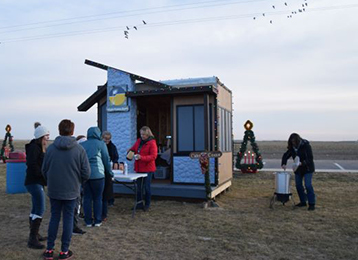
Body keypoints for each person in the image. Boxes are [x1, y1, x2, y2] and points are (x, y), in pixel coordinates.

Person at [42, 119, 90, 260]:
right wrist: (78, 182)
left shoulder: (51, 149)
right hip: (72, 190)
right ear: (72, 131)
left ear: (59, 130)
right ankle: (64, 251)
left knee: (54, 218)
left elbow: (44, 169)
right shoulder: (79, 150)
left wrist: (50, 181)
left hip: (55, 190)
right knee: (68, 219)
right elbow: (86, 172)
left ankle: (49, 249)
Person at [81, 127, 112, 227]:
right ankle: (98, 220)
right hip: (98, 175)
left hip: (85, 175)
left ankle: (88, 221)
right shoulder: (101, 144)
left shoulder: (82, 145)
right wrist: (110, 173)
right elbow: (106, 160)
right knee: (98, 198)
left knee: (87, 198)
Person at [25, 122, 50, 249]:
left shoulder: (37, 147)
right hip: (34, 182)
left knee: (36, 208)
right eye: (46, 136)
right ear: (41, 137)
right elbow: (33, 165)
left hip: (35, 181)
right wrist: (43, 176)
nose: (48, 138)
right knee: (40, 208)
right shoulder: (34, 149)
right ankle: (32, 239)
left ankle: (35, 235)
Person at [281, 133, 316, 211]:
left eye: (294, 142)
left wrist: (302, 163)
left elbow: (310, 159)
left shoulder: (306, 146)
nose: (293, 143)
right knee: (298, 185)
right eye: (292, 142)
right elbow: (286, 155)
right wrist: (283, 163)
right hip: (298, 170)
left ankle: (311, 203)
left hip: (307, 169)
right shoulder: (292, 148)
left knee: (308, 185)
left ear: (298, 140)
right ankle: (303, 201)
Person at [129, 126, 157, 211]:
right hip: (138, 168)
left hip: (148, 169)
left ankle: (147, 204)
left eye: (144, 134)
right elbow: (133, 149)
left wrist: (141, 157)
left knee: (146, 187)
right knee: (139, 187)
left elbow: (153, 156)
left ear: (148, 134)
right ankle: (139, 204)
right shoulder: (138, 141)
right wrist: (129, 153)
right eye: (141, 134)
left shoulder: (152, 143)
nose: (142, 136)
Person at [102, 131, 118, 211]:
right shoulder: (100, 145)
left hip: (109, 167)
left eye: (108, 139)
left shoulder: (112, 146)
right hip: (101, 167)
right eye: (105, 139)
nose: (107, 140)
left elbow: (115, 157)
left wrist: (115, 162)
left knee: (109, 184)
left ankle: (110, 200)